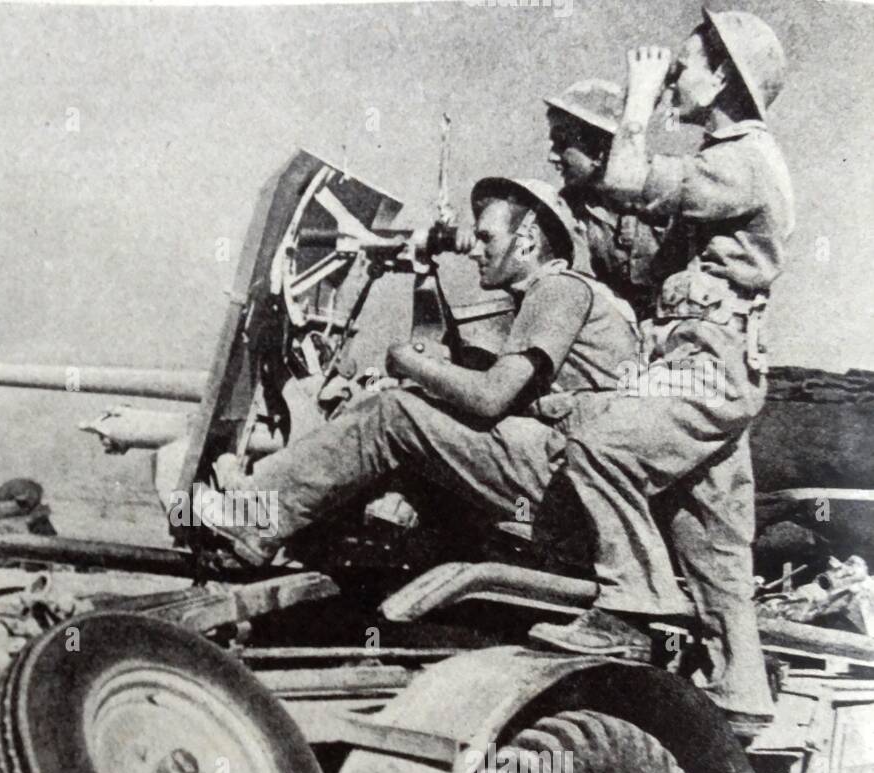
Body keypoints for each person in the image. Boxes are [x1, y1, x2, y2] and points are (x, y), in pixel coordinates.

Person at [528, 10, 793, 735]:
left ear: (724, 80)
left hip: (708, 364)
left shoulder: (742, 160)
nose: (674, 76)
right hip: (704, 360)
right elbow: (635, 250)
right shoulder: (726, 160)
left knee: (599, 437)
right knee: (712, 532)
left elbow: (630, 181)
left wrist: (638, 105)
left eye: (683, 67)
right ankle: (741, 692)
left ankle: (630, 609)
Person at [197, 177, 640, 567]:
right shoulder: (558, 295)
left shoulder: (559, 290)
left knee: (393, 414)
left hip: (567, 476)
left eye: (488, 239)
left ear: (527, 239)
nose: (477, 252)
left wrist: (405, 360)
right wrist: (426, 278)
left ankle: (252, 517)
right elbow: (454, 365)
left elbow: (489, 397)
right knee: (399, 403)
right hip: (570, 475)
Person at [544, 78, 666, 320]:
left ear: (599, 151)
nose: (551, 156)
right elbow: (526, 249)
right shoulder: (569, 206)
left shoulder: (661, 198)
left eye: (562, 144)